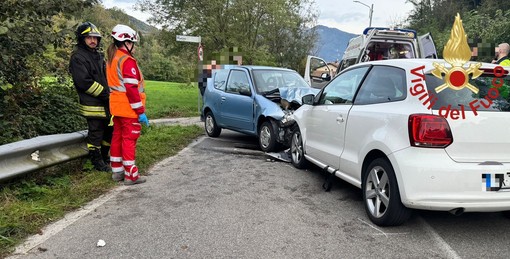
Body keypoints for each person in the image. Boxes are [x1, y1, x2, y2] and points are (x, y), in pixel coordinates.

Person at [106, 24, 148, 185]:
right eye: (133, 43)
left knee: (117, 137)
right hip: (129, 108)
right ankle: (131, 175)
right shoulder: (127, 61)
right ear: (126, 42)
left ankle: (117, 172)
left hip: (116, 107)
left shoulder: (112, 58)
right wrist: (140, 111)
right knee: (129, 139)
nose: (134, 47)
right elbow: (131, 88)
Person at [69, 22, 112, 172]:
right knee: (96, 133)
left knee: (109, 131)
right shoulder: (78, 57)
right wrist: (106, 94)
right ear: (82, 39)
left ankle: (105, 157)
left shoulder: (98, 56)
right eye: (89, 38)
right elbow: (84, 82)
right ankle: (96, 161)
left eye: (95, 38)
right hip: (92, 103)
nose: (93, 40)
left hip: (106, 102)